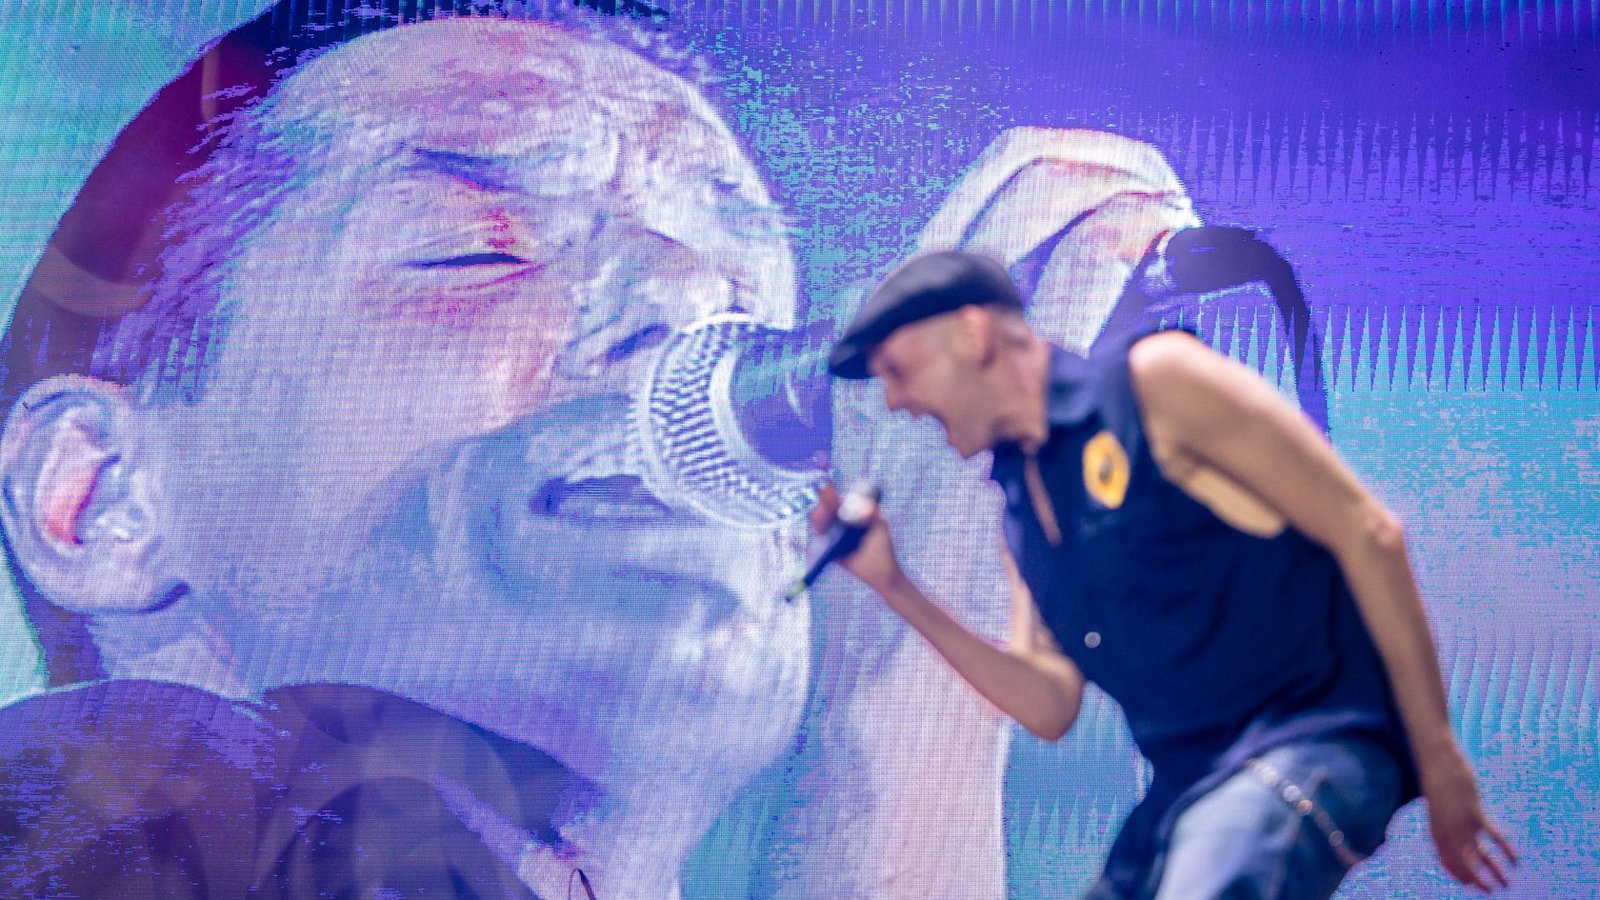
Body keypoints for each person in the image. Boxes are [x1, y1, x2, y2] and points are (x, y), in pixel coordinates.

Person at [0, 15, 812, 898]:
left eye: (746, 297)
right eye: (476, 248)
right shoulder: (89, 812)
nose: (691, 299)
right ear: (100, 497)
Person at [814, 249, 1518, 898]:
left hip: (1311, 742)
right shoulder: (1023, 517)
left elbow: (1368, 532)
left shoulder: (1156, 383)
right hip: (1189, 790)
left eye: (899, 372)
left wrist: (1439, 758)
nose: (895, 402)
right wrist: (894, 587)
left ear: (973, 334)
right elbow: (1049, 705)